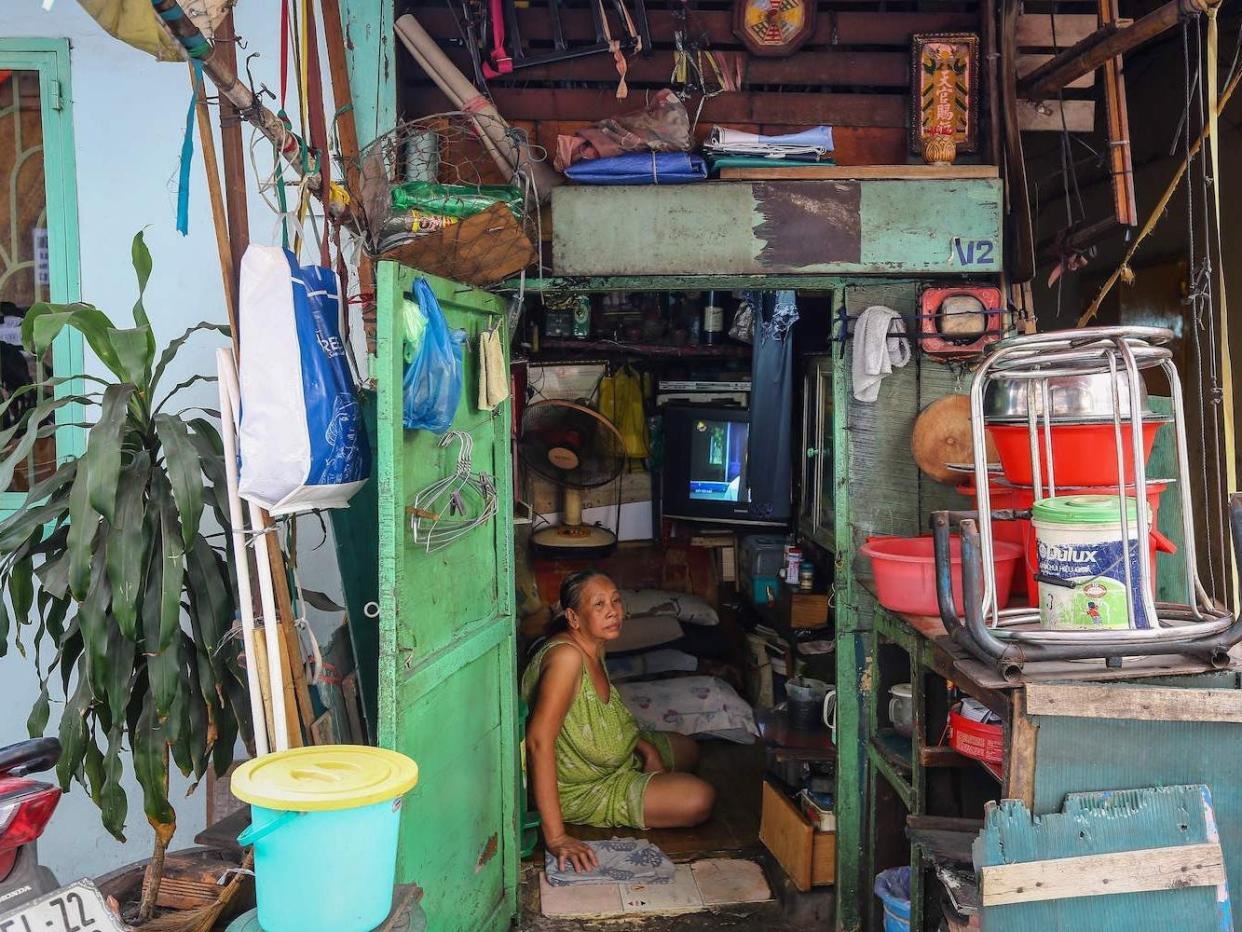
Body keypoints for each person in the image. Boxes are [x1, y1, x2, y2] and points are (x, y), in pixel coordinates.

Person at [522, 570, 716, 873]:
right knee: (699, 799)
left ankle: (652, 776)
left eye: (615, 601)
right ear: (573, 618)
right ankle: (645, 793)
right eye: (599, 605)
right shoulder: (566, 659)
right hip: (583, 786)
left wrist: (647, 750)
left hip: (616, 758)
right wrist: (557, 836)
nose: (612, 611)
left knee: (688, 748)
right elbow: (538, 741)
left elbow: (600, 716)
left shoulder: (594, 646)